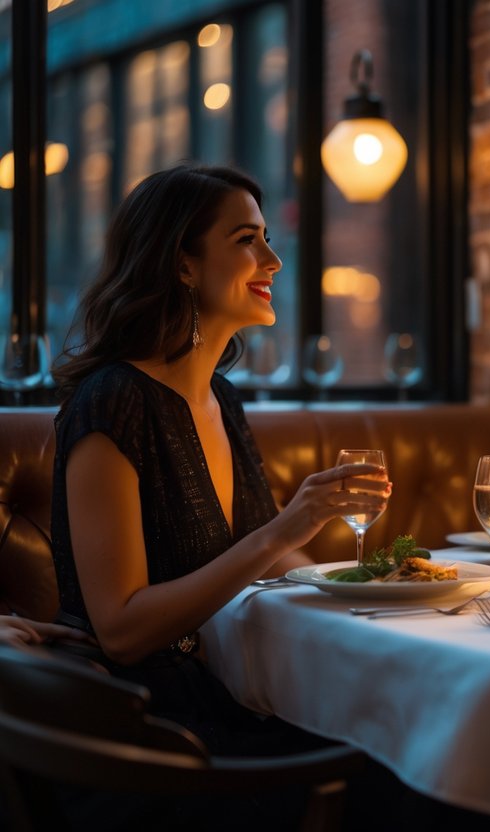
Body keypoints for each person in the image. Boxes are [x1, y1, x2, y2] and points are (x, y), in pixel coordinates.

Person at [49, 163, 391, 754]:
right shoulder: (112, 401)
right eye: (246, 240)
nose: (273, 260)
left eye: (265, 237)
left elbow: (275, 557)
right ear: (182, 263)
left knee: (413, 744)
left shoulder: (222, 400)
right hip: (151, 736)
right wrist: (289, 526)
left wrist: (380, 587)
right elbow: (123, 631)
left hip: (231, 691)